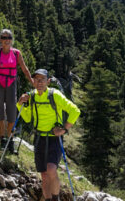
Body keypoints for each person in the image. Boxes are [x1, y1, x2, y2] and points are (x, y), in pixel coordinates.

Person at [17, 69, 81, 201]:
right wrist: (20, 104)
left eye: (42, 79)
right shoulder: (32, 96)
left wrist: (64, 129)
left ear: (48, 81)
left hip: (54, 138)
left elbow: (75, 110)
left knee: (51, 169)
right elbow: (28, 118)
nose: (39, 82)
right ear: (33, 81)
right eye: (37, 79)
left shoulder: (55, 95)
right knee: (44, 175)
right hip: (39, 138)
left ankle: (56, 198)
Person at [0, 29, 32, 152]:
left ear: (12, 40)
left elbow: (24, 69)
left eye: (9, 38)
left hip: (11, 83)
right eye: (4, 37)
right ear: (0, 39)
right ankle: (2, 139)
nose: (7, 40)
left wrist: (33, 82)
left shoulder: (16, 53)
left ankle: (10, 141)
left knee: (12, 113)